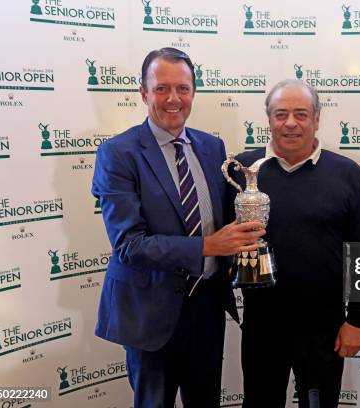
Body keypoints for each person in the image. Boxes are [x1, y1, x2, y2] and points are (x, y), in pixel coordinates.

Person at [91, 47, 264, 408]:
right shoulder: (118, 153)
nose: (174, 99)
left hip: (206, 307)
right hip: (150, 312)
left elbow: (220, 218)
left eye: (183, 89)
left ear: (193, 93)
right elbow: (129, 245)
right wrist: (207, 246)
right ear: (143, 93)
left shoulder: (212, 147)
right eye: (162, 88)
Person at [228, 79, 360, 408]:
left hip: (325, 330)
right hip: (262, 329)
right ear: (269, 119)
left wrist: (357, 320)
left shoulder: (348, 174)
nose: (290, 122)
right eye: (281, 114)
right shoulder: (242, 172)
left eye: (301, 114)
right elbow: (224, 243)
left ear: (317, 119)